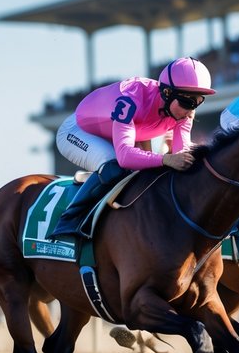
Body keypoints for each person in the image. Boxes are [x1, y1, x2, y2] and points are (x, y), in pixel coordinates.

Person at [51, 56, 215, 239]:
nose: (191, 110)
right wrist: (166, 159)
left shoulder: (183, 112)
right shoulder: (131, 99)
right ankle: (69, 221)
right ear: (167, 93)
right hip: (78, 131)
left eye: (198, 101)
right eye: (187, 102)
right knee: (114, 166)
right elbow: (124, 157)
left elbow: (181, 153)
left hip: (125, 132)